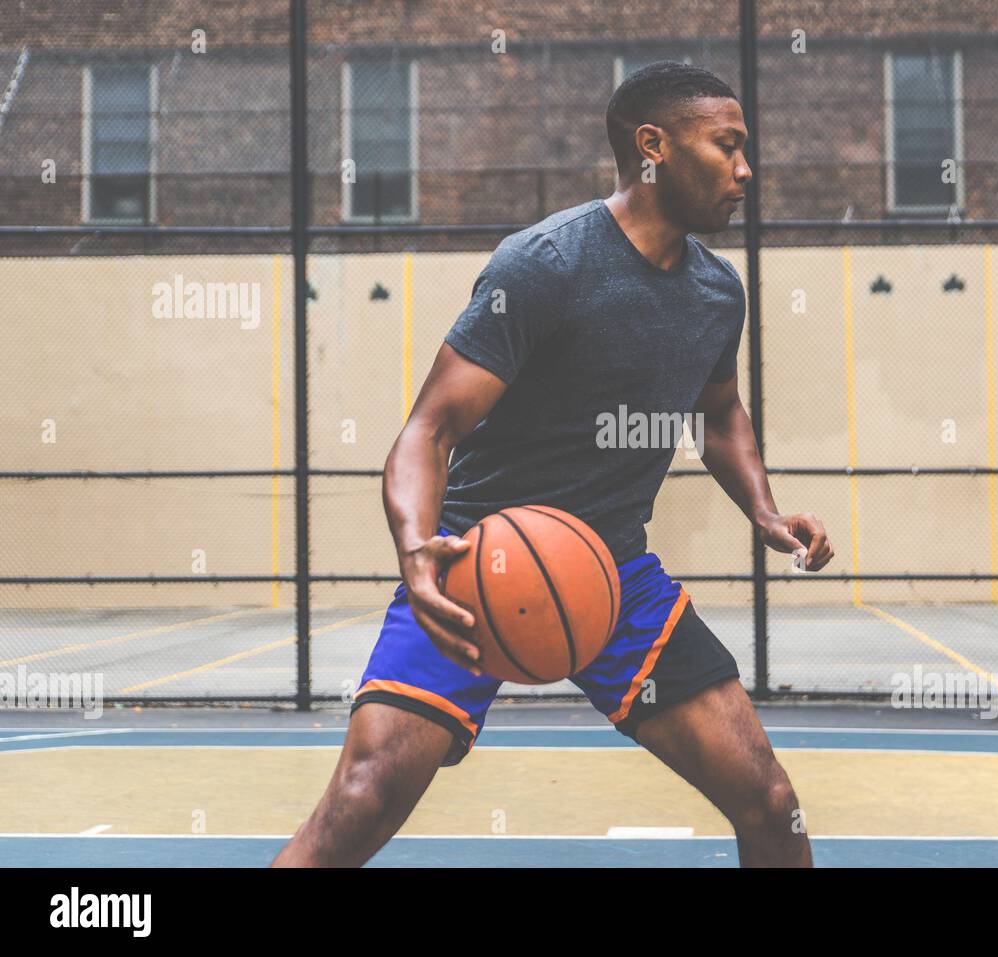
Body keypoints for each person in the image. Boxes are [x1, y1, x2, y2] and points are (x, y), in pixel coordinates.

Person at [273, 61, 833, 868]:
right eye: (728, 146)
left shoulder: (718, 292)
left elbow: (719, 414)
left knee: (772, 804)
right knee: (359, 804)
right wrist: (419, 553)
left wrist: (767, 511)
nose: (747, 170)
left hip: (615, 576)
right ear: (654, 147)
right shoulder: (545, 265)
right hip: (477, 567)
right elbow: (428, 430)